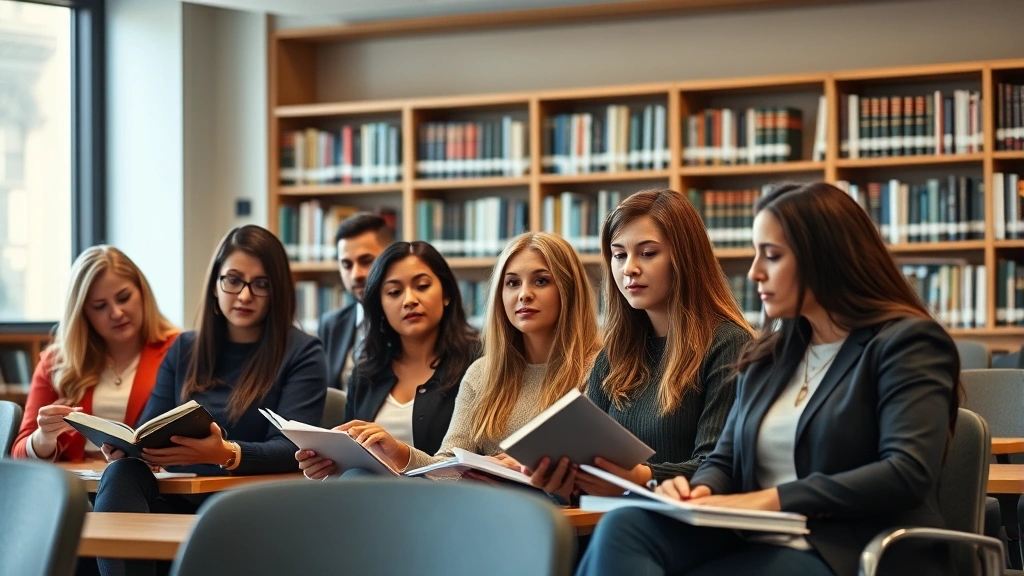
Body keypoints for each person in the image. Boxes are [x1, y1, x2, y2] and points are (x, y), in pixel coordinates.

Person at [577, 182, 961, 576]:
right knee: (625, 527)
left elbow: (906, 472)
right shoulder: (768, 357)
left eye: (772, 256)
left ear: (825, 259)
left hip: (848, 548)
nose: (755, 271)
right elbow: (723, 461)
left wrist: (772, 500)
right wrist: (699, 490)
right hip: (753, 537)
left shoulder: (907, 342)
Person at [92, 225, 327, 576]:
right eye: (233, 280)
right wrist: (129, 448)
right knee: (122, 472)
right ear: (215, 284)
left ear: (277, 291)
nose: (244, 295)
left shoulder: (303, 353)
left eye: (260, 285)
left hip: (251, 505)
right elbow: (148, 427)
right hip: (177, 497)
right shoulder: (184, 348)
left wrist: (227, 454)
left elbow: (294, 451)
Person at [333, 232, 601, 498]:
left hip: (555, 519)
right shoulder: (482, 372)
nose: (524, 295)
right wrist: (397, 450)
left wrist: (525, 469)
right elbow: (449, 467)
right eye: (512, 283)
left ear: (568, 289)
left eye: (541, 281)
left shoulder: (598, 369)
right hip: (484, 516)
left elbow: (597, 477)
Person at [535, 189, 754, 498]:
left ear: (685, 258)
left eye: (648, 253)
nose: (629, 269)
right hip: (609, 520)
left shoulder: (729, 345)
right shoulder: (614, 356)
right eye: (619, 255)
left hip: (688, 528)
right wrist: (560, 482)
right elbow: (589, 473)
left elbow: (718, 468)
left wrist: (642, 477)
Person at [296, 241, 479, 479]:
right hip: (373, 496)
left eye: (422, 286)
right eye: (394, 292)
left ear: (446, 294)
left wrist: (399, 452)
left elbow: (473, 462)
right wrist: (327, 466)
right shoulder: (366, 371)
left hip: (446, 500)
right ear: (380, 306)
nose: (409, 300)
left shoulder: (478, 362)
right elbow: (351, 453)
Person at [12, 246, 178, 461]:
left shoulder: (179, 349)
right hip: (77, 487)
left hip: (151, 486)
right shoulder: (58, 362)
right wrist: (44, 438)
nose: (116, 313)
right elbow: (19, 455)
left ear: (143, 293)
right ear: (83, 314)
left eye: (124, 298)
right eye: (100, 306)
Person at [318, 212, 393, 391]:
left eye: (366, 261)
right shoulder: (331, 325)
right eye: (346, 265)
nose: (355, 274)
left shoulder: (407, 321)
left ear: (390, 258)